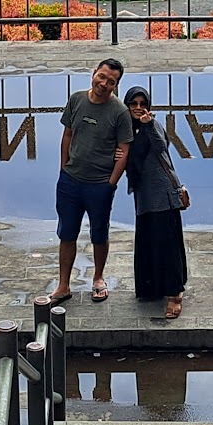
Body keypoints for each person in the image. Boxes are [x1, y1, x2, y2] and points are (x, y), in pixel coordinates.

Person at [50, 57, 131, 304]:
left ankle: (98, 278)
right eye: (102, 77)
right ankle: (63, 285)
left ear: (116, 85)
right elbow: (67, 135)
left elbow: (124, 150)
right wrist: (64, 169)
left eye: (111, 81)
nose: (104, 84)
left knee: (99, 233)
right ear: (94, 73)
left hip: (99, 185)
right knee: (67, 233)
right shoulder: (76, 99)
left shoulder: (120, 112)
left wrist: (111, 183)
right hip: (70, 181)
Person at [124, 84, 189, 319]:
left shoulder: (153, 124)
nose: (139, 108)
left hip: (162, 192)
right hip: (144, 196)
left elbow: (162, 148)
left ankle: (174, 294)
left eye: (143, 104)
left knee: (167, 244)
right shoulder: (127, 129)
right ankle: (151, 287)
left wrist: (148, 124)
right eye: (134, 104)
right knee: (149, 241)